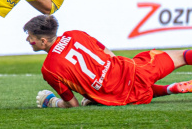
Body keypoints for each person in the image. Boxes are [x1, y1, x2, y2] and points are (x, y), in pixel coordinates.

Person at [26, 15, 192, 108]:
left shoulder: (49, 69)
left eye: (30, 37)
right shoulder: (75, 34)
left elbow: (73, 104)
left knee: (134, 90)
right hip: (136, 70)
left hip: (117, 97)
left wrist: (51, 102)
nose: (27, 39)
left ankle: (171, 89)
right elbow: (108, 53)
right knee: (183, 56)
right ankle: (170, 87)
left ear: (43, 41)